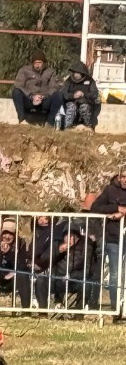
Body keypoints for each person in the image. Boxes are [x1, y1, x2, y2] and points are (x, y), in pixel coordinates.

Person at [89, 167, 126, 318]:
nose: (124, 180)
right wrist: (116, 208)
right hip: (114, 238)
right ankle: (115, 307)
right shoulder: (110, 190)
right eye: (123, 176)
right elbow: (94, 208)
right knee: (115, 274)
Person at [11, 50, 58, 125]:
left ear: (44, 63)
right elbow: (18, 85)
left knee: (59, 95)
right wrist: (32, 96)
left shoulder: (50, 72)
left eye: (39, 63)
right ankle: (21, 119)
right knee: (16, 92)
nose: (37, 65)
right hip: (29, 99)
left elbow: (53, 87)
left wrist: (43, 96)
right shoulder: (24, 70)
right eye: (35, 63)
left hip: (44, 99)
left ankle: (50, 122)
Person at [51, 61, 101, 131]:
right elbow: (63, 92)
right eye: (75, 72)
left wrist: (84, 95)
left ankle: (88, 126)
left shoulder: (90, 81)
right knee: (71, 106)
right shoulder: (69, 81)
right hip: (71, 102)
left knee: (84, 107)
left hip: (85, 103)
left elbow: (94, 93)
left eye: (78, 73)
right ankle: (68, 127)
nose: (76, 75)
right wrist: (73, 96)